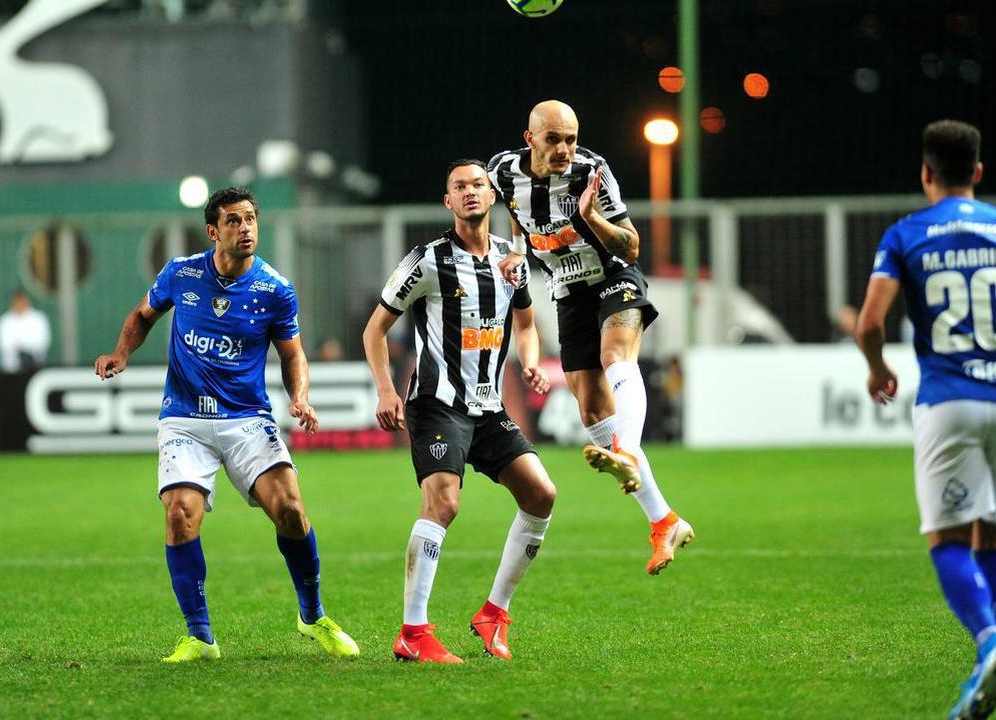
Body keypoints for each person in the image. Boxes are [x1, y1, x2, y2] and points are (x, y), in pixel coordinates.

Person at [855, 120, 996, 720]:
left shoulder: (906, 233)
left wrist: (877, 369)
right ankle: (984, 679)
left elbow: (869, 322)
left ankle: (989, 642)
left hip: (948, 400)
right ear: (978, 172)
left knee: (947, 540)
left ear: (926, 173)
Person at [94, 186, 358, 663]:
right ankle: (200, 636)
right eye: (234, 221)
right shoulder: (182, 273)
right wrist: (121, 353)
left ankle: (313, 615)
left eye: (251, 219)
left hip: (247, 419)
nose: (246, 228)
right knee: (179, 515)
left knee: (292, 512)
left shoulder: (274, 289)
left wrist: (300, 397)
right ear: (213, 231)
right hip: (184, 419)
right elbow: (142, 314)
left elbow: (292, 352)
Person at [489, 100, 692, 576]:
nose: (564, 149)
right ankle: (664, 520)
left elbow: (632, 244)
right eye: (553, 139)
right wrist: (517, 250)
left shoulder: (592, 173)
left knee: (615, 353)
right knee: (592, 410)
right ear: (530, 139)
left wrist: (590, 219)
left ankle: (626, 449)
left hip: (614, 276)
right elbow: (515, 212)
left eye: (570, 139)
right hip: (567, 292)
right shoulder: (502, 170)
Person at [362, 159, 554, 663]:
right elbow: (374, 329)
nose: (470, 193)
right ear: (447, 201)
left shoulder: (513, 258)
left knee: (541, 494)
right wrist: (386, 391)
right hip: (437, 404)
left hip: (488, 407)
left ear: (492, 196)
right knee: (443, 504)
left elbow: (528, 323)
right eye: (459, 187)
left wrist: (530, 364)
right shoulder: (427, 260)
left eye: (478, 185)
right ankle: (414, 631)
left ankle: (494, 613)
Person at [0, 288, 51, 373]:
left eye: (22, 301)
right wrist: (19, 352)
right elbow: (3, 345)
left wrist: (28, 351)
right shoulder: (4, 321)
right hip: (11, 369)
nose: (19, 304)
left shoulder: (39, 319)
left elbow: (42, 342)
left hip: (35, 366)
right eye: (17, 301)